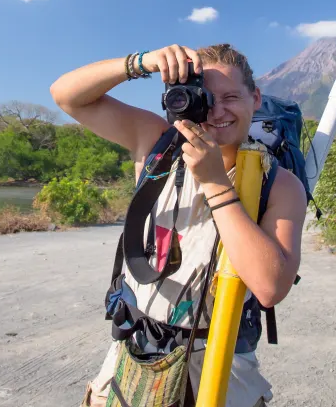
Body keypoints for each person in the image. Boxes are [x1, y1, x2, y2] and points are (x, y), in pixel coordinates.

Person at [50, 43, 307, 407]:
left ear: (256, 98)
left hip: (219, 367)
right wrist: (142, 63)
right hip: (134, 355)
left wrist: (217, 183)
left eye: (231, 97)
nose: (217, 111)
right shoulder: (156, 143)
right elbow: (67, 96)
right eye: (205, 97)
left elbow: (270, 288)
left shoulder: (278, 184)